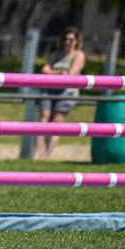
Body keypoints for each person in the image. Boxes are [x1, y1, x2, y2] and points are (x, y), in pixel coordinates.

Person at [33, 26, 86, 160]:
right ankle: (36, 155)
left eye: (71, 40)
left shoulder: (78, 55)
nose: (67, 42)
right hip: (50, 89)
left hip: (67, 92)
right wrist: (59, 72)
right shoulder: (56, 54)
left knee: (56, 123)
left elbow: (70, 74)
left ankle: (46, 156)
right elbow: (44, 70)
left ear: (76, 41)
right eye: (65, 39)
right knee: (43, 119)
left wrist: (54, 73)